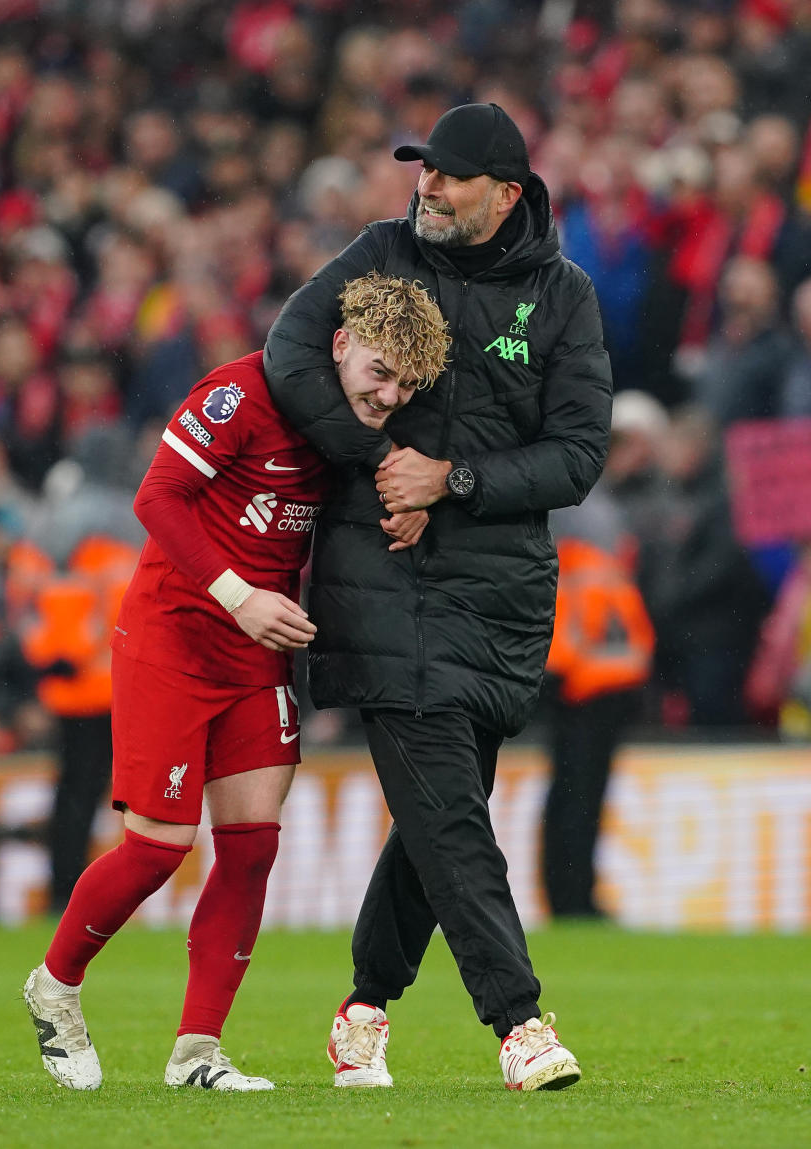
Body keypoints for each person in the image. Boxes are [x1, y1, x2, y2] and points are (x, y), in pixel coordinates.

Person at [22, 272, 451, 1092]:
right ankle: (56, 984)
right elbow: (158, 498)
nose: (388, 396)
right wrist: (239, 594)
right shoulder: (239, 393)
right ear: (339, 345)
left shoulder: (348, 431)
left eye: (404, 385)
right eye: (379, 373)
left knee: (253, 847)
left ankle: (198, 1051)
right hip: (175, 634)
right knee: (157, 850)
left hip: (257, 653)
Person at [264, 102, 612, 1092]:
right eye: (423, 169)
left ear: (505, 195)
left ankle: (363, 1008)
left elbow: (579, 455)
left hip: (500, 593)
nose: (427, 186)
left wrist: (449, 479)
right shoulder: (379, 254)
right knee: (452, 816)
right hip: (382, 576)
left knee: (438, 817)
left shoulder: (562, 297)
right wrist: (386, 465)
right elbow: (291, 356)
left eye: (450, 176)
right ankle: (520, 1022)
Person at [539, 482, 655, 919]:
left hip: (582, 687)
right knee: (580, 800)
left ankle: (570, 896)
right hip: (601, 689)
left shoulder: (569, 559)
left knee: (572, 799)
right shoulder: (599, 561)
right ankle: (574, 897)